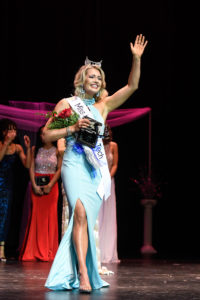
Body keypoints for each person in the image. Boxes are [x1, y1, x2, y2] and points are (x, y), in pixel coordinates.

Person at [43, 34, 148, 292]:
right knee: (78, 212)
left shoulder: (103, 107)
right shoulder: (67, 105)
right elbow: (46, 134)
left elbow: (132, 86)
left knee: (84, 220)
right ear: (81, 79)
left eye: (99, 77)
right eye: (92, 76)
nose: (96, 80)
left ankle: (81, 271)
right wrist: (72, 128)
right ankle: (83, 273)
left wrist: (136, 59)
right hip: (73, 163)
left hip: (93, 169)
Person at [19, 125, 62, 261]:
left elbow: (60, 169)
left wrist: (50, 184)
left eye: (45, 134)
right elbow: (30, 168)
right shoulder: (34, 149)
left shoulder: (58, 150)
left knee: (50, 218)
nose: (43, 136)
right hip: (36, 183)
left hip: (51, 184)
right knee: (36, 217)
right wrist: (34, 185)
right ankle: (33, 251)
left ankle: (49, 250)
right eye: (41, 134)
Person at [0, 118, 31, 261]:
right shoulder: (1, 144)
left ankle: (2, 249)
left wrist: (28, 148)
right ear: (4, 132)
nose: (12, 133)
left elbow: (27, 165)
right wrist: (6, 143)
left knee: (5, 216)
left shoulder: (17, 147)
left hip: (7, 185)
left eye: (14, 130)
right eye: (10, 130)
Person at [98, 123, 120, 263]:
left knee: (109, 215)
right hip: (96, 182)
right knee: (98, 215)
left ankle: (108, 251)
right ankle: (97, 250)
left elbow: (116, 164)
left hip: (109, 182)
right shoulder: (95, 145)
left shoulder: (113, 145)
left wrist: (108, 177)